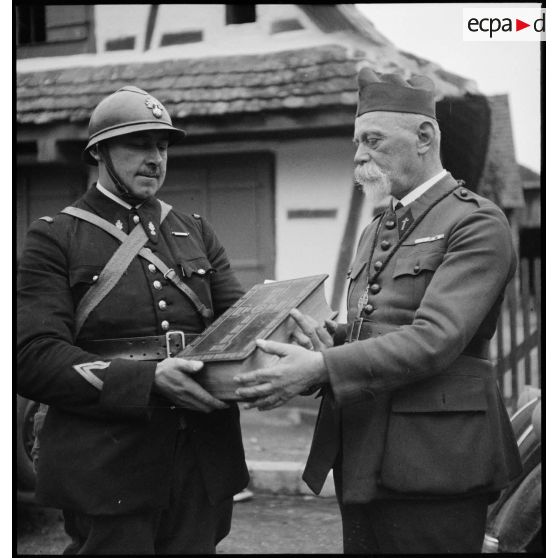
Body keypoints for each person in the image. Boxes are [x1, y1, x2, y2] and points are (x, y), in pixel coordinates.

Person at [234, 67, 523, 554]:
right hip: (365, 448)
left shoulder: (475, 222)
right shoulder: (377, 227)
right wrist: (337, 339)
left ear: (424, 136)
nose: (359, 155)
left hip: (437, 459)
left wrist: (324, 366)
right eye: (355, 142)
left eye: (372, 139)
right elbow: (385, 323)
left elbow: (435, 338)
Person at [17, 86, 249, 554]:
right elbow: (33, 357)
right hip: (108, 461)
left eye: (161, 146)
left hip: (202, 455)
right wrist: (147, 380)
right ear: (99, 152)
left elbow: (240, 322)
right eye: (138, 144)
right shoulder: (54, 237)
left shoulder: (194, 230)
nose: (155, 159)